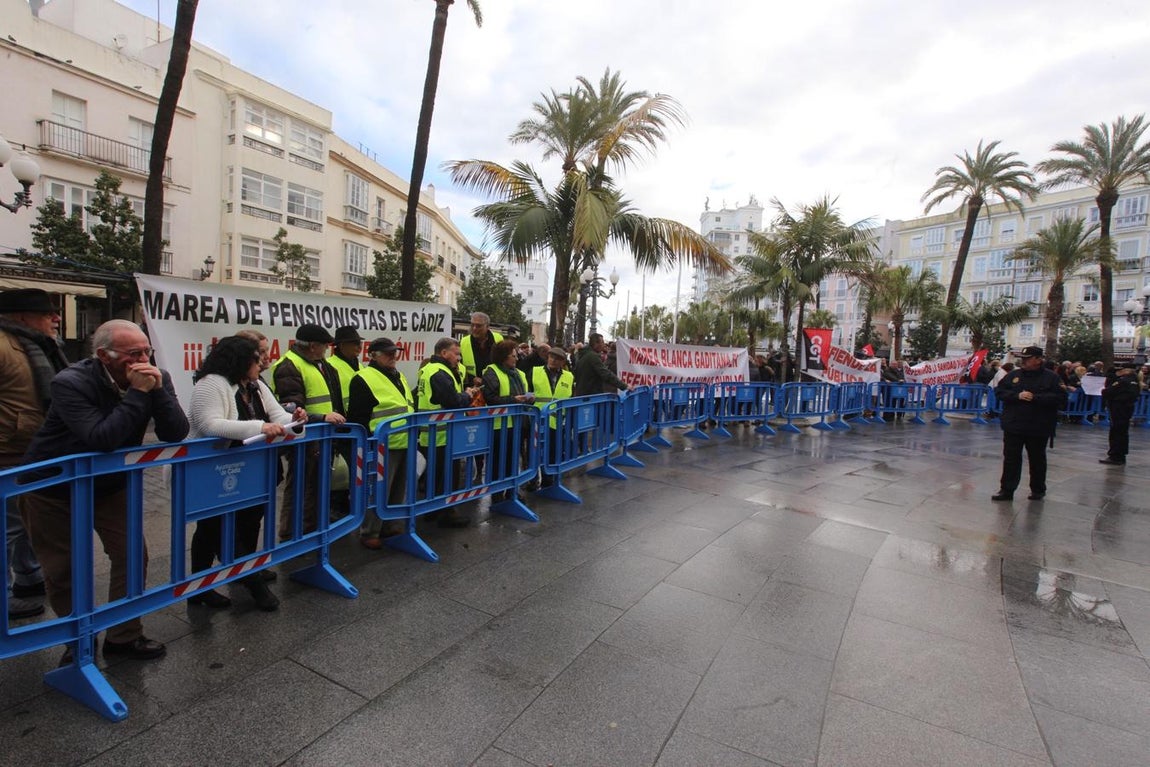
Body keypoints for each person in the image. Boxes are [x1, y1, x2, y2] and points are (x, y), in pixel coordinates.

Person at [22, 319, 189, 661]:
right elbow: (102, 438)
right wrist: (138, 393)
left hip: (110, 484)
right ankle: (79, 640)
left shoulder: (155, 376)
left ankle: (124, 635)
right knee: (64, 568)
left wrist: (157, 391)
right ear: (104, 355)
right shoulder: (70, 382)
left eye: (147, 351)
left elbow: (176, 432)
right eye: (133, 354)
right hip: (52, 486)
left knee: (131, 554)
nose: (142, 360)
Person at [186, 336, 294, 611]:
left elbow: (278, 416)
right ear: (239, 361)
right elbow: (211, 425)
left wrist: (296, 421)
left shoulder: (253, 385)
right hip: (208, 471)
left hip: (239, 469)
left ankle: (200, 588)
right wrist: (261, 427)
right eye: (256, 358)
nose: (261, 363)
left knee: (214, 530)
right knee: (216, 528)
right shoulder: (211, 384)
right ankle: (252, 585)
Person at [0, 289, 69, 620]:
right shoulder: (4, 347)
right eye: (47, 314)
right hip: (8, 452)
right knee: (8, 528)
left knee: (25, 521)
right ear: (21, 317)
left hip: (33, 449)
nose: (56, 318)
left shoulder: (39, 343)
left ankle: (28, 579)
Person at [271, 323, 346, 539]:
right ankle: (291, 536)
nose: (327, 349)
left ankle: (310, 533)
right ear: (313, 346)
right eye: (324, 345)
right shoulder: (289, 367)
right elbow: (291, 410)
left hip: (321, 437)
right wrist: (321, 418)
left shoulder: (319, 364)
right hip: (305, 438)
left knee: (315, 489)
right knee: (300, 489)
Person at [347, 337, 413, 548]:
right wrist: (367, 444)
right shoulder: (363, 378)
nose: (393, 356)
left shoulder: (398, 375)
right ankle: (370, 532)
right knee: (376, 490)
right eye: (388, 353)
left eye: (395, 352)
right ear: (373, 356)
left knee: (397, 489)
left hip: (403, 440)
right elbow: (358, 417)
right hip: (381, 444)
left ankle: (390, 524)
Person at [416, 337, 482, 526]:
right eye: (456, 354)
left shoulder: (429, 369)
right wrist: (467, 395)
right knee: (446, 476)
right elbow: (452, 401)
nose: (459, 358)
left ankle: (433, 510)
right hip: (443, 434)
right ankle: (446, 513)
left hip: (433, 433)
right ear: (444, 353)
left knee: (435, 476)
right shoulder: (440, 372)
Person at [992, 345, 1067, 501]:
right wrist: (1016, 396)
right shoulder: (1014, 375)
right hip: (1014, 424)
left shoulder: (1051, 378)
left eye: (1028, 359)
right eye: (1023, 358)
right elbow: (1000, 391)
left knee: (1037, 459)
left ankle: (1038, 490)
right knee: (1011, 458)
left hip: (1038, 425)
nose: (1024, 361)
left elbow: (1060, 398)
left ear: (1038, 360)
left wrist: (1035, 397)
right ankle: (1007, 489)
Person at [481, 339, 533, 500]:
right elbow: (491, 399)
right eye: (513, 356)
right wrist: (514, 400)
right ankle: (497, 495)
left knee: (512, 460)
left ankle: (511, 492)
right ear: (503, 356)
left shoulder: (519, 374)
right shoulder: (491, 372)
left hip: (518, 424)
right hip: (499, 426)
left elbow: (524, 393)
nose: (516, 358)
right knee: (497, 462)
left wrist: (529, 398)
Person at [530, 346, 575, 488]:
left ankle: (548, 480)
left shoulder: (569, 376)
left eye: (558, 359)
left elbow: (571, 396)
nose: (553, 360)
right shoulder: (535, 371)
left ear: (563, 362)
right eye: (551, 357)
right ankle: (532, 480)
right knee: (534, 452)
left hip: (557, 421)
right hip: (537, 420)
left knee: (553, 451)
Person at [1100, 361, 1141, 466]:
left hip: (1118, 408)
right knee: (1122, 432)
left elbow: (1108, 391)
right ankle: (1120, 455)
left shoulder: (1123, 381)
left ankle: (1115, 455)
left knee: (1116, 432)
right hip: (1127, 409)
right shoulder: (1135, 381)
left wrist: (1111, 378)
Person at [460, 312, 503, 385]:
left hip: (496, 385)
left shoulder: (498, 339)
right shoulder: (463, 342)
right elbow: (458, 366)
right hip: (472, 387)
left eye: (478, 326)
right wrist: (471, 379)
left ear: (487, 326)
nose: (474, 328)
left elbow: (505, 362)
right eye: (472, 325)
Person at [326, 325, 363, 407]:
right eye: (356, 343)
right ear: (342, 345)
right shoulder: (329, 365)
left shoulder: (360, 366)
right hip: (340, 413)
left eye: (360, 343)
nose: (360, 347)